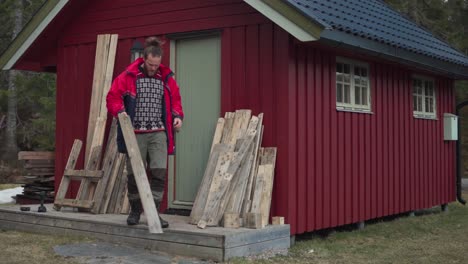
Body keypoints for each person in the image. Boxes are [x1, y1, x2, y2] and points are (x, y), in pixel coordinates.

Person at [106, 36, 184, 227]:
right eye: (150, 64)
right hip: (135, 133)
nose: (153, 68)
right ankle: (134, 212)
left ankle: (154, 213)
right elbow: (112, 98)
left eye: (156, 65)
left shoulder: (166, 79)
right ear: (144, 59)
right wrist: (120, 112)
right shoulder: (128, 76)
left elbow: (176, 101)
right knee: (134, 174)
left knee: (159, 172)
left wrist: (178, 117)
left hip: (159, 133)